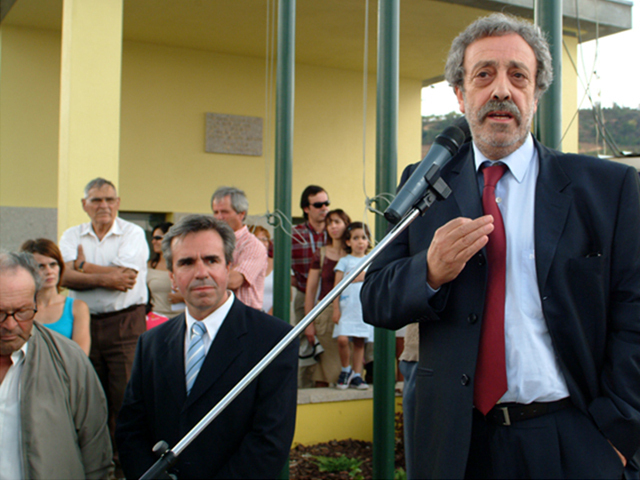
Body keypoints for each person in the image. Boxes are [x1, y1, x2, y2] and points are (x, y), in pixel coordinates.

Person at [362, 13, 640, 479]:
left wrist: (618, 434)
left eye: (518, 76)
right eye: (484, 74)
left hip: (570, 437)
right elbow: (375, 298)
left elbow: (634, 312)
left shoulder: (606, 189)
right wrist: (428, 271)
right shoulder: (424, 183)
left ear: (536, 93)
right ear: (459, 93)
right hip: (456, 444)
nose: (501, 90)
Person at [116, 215, 298, 479]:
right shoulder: (151, 343)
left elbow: (270, 440)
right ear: (172, 276)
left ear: (228, 266)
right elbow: (131, 429)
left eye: (211, 260)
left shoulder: (273, 339)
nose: (201, 273)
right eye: (187, 262)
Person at [59, 177, 148, 476]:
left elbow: (126, 280)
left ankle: (123, 468)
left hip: (125, 325)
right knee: (88, 398)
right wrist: (106, 276)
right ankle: (94, 465)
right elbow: (62, 277)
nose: (104, 206)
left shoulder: (132, 233)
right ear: (84, 205)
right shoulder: (71, 235)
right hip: (82, 324)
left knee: (125, 398)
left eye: (110, 199)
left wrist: (82, 267)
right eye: (96, 200)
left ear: (118, 203)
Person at [0, 252, 113, 480]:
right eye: (0, 313)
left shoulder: (69, 360)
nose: (10, 324)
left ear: (35, 303)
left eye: (22, 311)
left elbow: (96, 455)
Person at [20, 238, 91, 355]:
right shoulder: (20, 309)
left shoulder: (77, 307)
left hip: (67, 366)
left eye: (53, 264)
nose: (49, 271)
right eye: (41, 266)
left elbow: (81, 356)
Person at [304, 209, 350, 387]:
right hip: (325, 314)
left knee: (350, 368)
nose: (333, 227)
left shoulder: (355, 252)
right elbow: (310, 290)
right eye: (329, 223)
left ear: (346, 224)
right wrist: (308, 323)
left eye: (337, 222)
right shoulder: (321, 253)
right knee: (324, 371)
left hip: (350, 313)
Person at [291, 185, 330, 387]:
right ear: (306, 208)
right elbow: (272, 262)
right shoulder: (293, 234)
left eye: (326, 203)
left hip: (332, 296)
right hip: (303, 293)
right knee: (305, 342)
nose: (324, 208)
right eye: (318, 205)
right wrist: (294, 280)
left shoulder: (336, 231)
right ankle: (304, 387)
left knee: (331, 341)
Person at [211, 186, 268, 310]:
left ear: (241, 214)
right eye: (216, 212)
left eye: (224, 212)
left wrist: (204, 278)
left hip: (243, 315)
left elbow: (234, 281)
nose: (219, 217)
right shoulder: (211, 242)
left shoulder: (253, 245)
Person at [332, 222, 373, 390]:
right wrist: (336, 308)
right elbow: (336, 287)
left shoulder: (371, 260)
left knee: (359, 341)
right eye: (355, 238)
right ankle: (346, 369)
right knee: (342, 339)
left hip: (362, 308)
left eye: (364, 237)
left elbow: (375, 280)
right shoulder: (344, 261)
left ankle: (357, 375)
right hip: (346, 308)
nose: (360, 241)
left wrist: (365, 277)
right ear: (348, 242)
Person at [147, 221, 185, 319]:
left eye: (158, 238)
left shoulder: (185, 264)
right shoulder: (149, 266)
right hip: (156, 318)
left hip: (181, 318)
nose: (153, 241)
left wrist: (184, 298)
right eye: (153, 238)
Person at [248, 225, 274, 314]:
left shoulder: (277, 264)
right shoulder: (243, 264)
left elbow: (287, 296)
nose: (262, 243)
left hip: (273, 316)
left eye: (265, 239)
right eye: (258, 239)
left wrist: (269, 315)